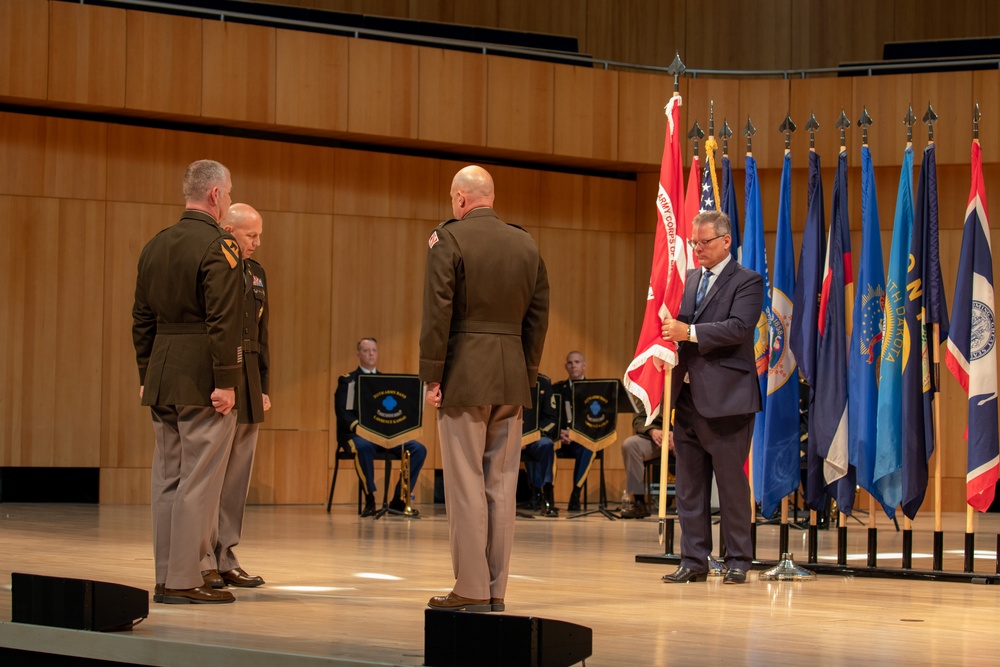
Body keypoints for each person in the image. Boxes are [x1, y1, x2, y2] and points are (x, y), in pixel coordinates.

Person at [421, 165, 549, 612]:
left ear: (459, 198)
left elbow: (438, 311)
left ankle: (471, 587)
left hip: (463, 374)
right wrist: (527, 373)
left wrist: (432, 375)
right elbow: (538, 316)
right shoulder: (526, 242)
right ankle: (496, 589)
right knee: (501, 485)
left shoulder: (448, 238)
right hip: (511, 376)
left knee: (465, 484)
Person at [133, 159, 242, 604]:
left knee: (168, 479)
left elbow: (141, 318)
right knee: (199, 480)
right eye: (230, 192)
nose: (230, 199)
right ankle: (182, 580)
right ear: (215, 196)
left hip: (162, 373)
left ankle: (164, 576)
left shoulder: (156, 244)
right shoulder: (220, 245)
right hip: (202, 377)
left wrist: (145, 374)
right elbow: (223, 319)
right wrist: (226, 381)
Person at [659, 210, 764, 585]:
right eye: (693, 243)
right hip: (687, 398)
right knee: (689, 486)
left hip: (728, 400)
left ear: (725, 241)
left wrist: (688, 331)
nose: (697, 249)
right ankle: (694, 560)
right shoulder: (687, 279)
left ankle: (737, 559)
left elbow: (738, 328)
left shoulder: (748, 281)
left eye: (704, 243)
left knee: (731, 484)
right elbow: (673, 329)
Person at [199, 203, 269, 589]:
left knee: (236, 479)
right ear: (228, 229)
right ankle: (204, 558)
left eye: (259, 236)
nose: (257, 243)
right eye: (250, 235)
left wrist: (265, 385)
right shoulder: (216, 266)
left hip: (248, 383)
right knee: (210, 479)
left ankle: (226, 555)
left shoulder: (256, 273)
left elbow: (263, 336)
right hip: (221, 383)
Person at [335, 337, 427, 517]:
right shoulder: (347, 380)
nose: (371, 354)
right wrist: (361, 430)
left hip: (384, 436)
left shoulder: (385, 381)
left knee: (418, 449)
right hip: (356, 436)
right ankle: (370, 499)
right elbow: (342, 413)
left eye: (374, 350)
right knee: (364, 446)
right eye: (366, 350)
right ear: (358, 354)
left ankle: (399, 501)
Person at [552, 351, 596, 511]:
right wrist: (559, 433)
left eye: (577, 362)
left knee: (589, 449)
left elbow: (597, 421)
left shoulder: (594, 391)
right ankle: (545, 496)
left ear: (584, 366)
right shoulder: (556, 389)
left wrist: (577, 435)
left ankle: (575, 495)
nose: (573, 365)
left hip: (581, 441)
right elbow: (551, 416)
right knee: (543, 446)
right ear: (566, 366)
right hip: (560, 438)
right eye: (570, 363)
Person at [619, 404, 671, 519]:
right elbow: (638, 419)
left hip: (683, 437)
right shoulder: (652, 386)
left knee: (695, 449)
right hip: (656, 438)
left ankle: (694, 504)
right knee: (630, 445)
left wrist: (678, 434)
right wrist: (652, 431)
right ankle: (639, 502)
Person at [520, 373, 558, 517]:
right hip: (507, 438)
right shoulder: (505, 378)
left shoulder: (543, 382)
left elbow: (551, 418)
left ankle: (546, 496)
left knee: (546, 445)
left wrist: (529, 437)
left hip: (534, 438)